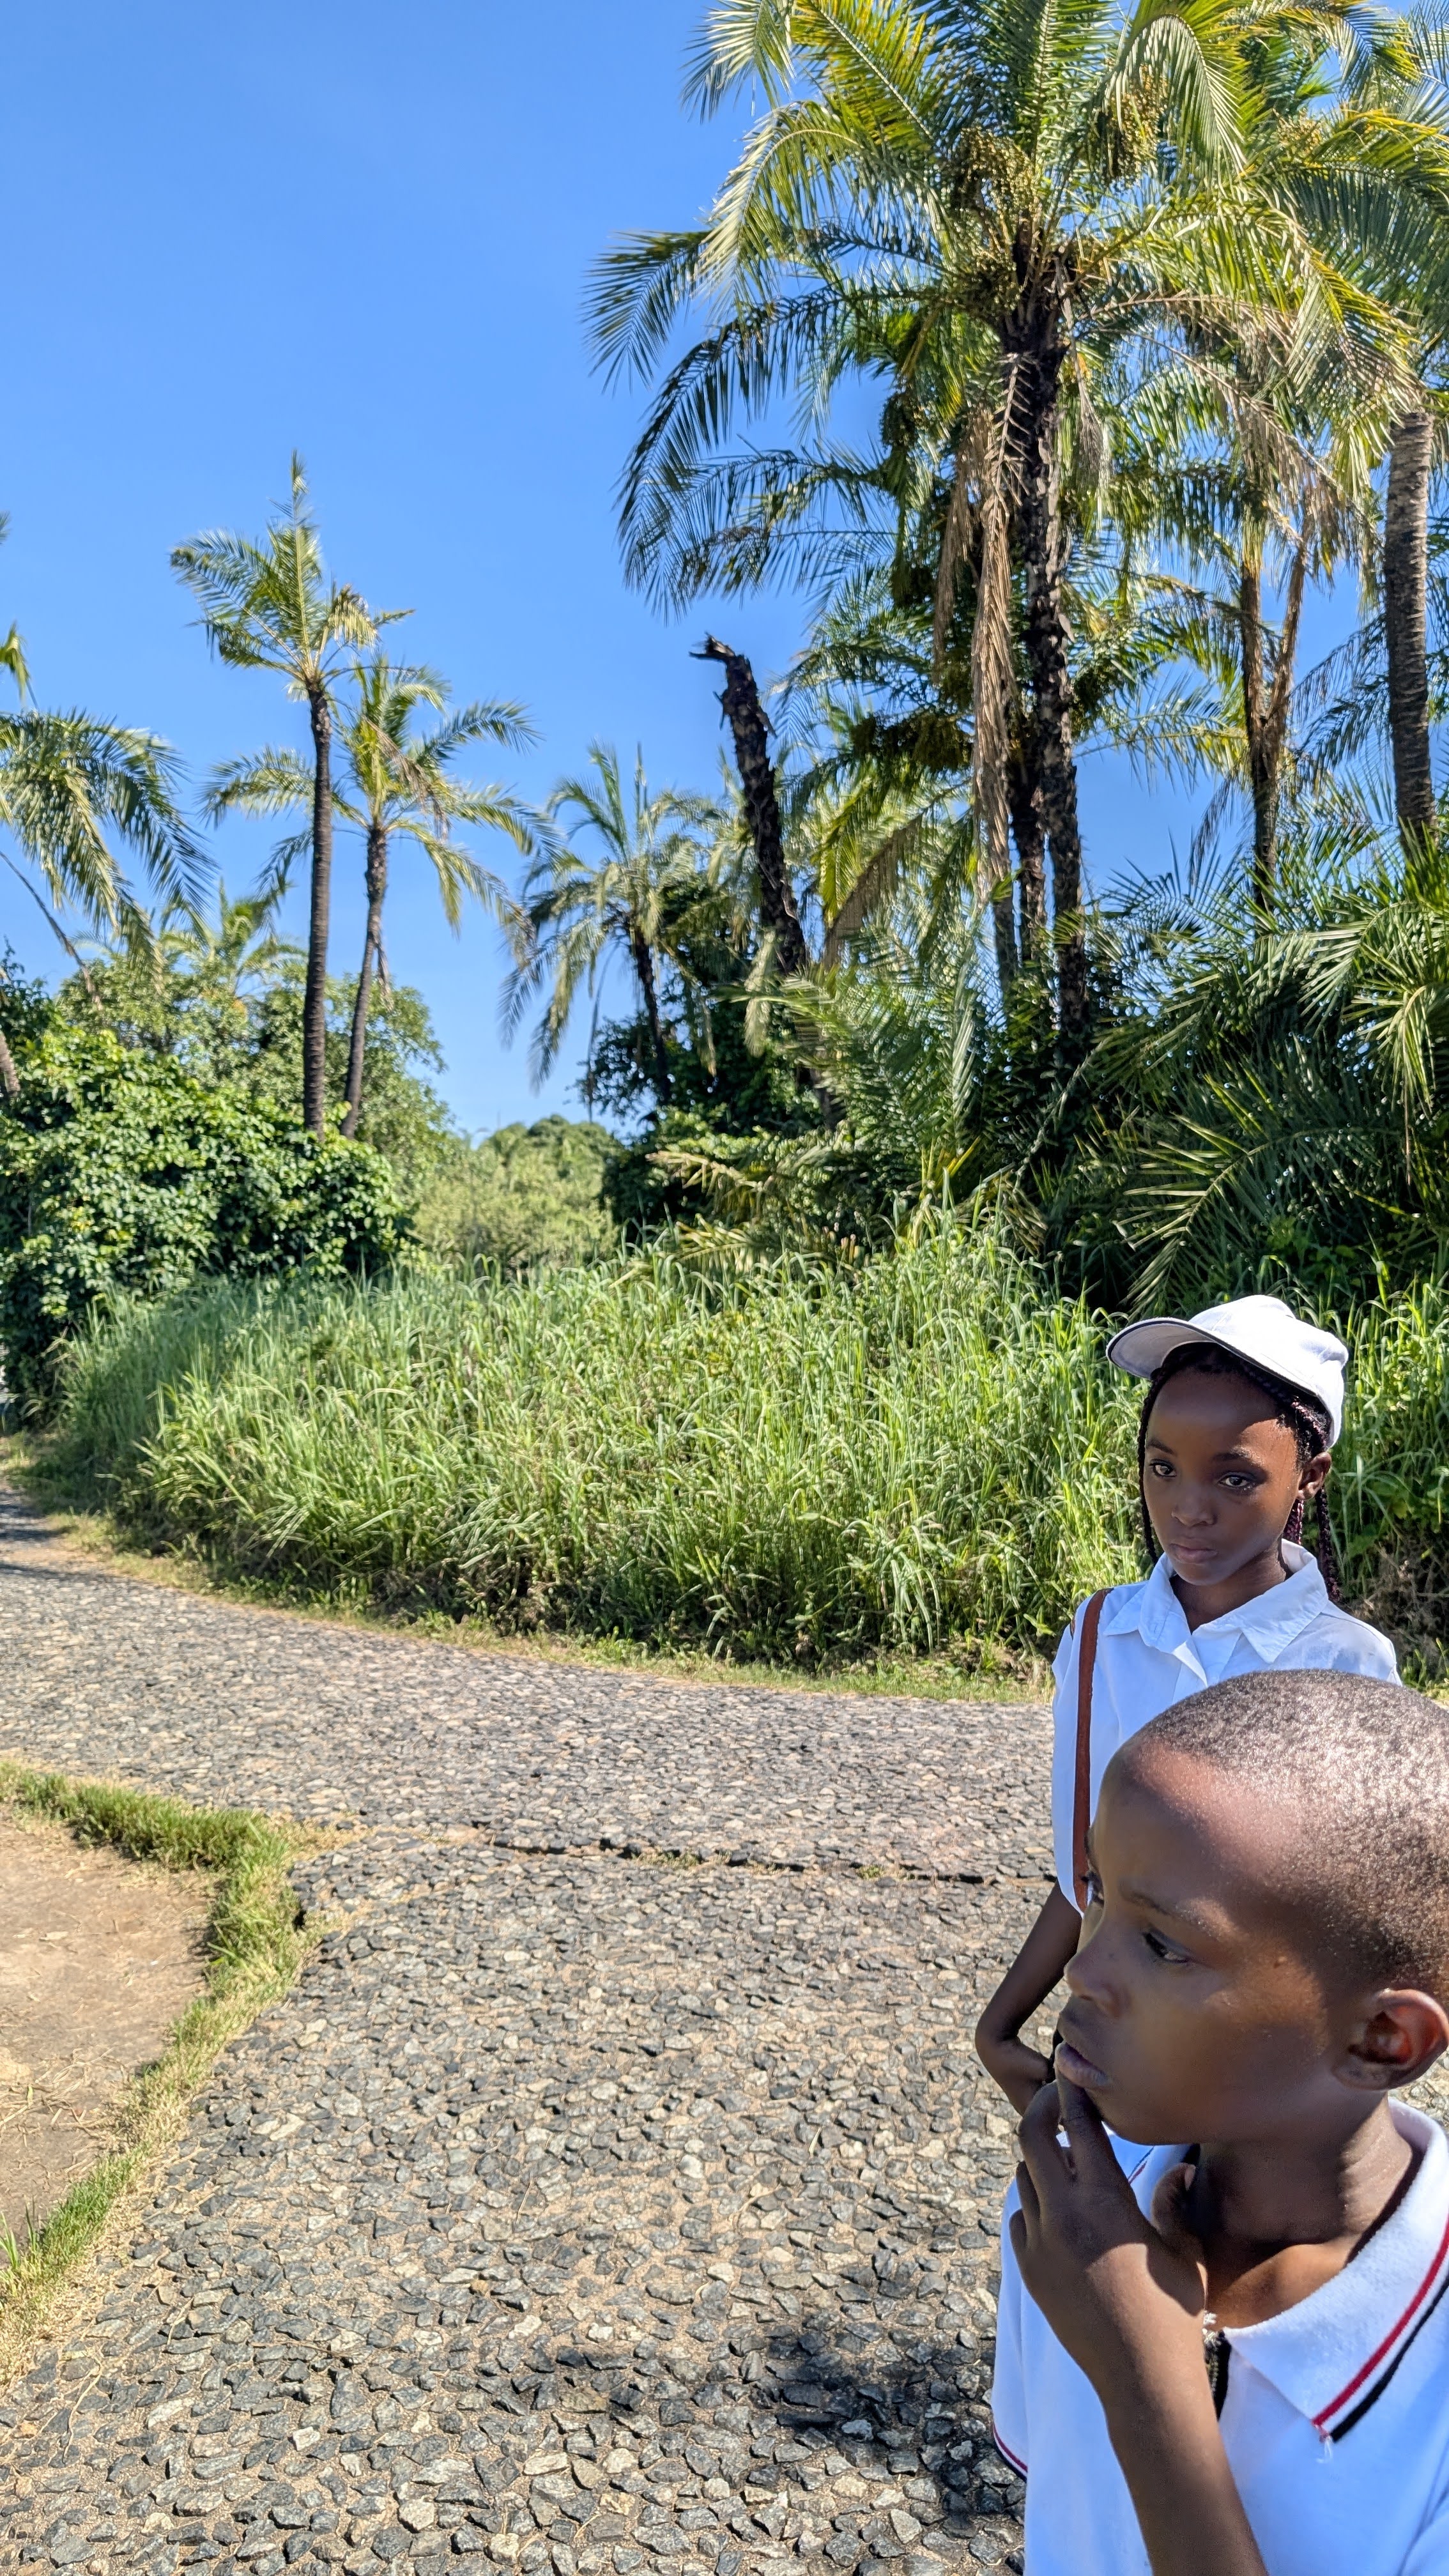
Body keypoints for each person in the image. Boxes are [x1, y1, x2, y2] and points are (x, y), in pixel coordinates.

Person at [992, 1667, 1449, 2576]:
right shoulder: (1073, 2214)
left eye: (1164, 1944)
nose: (1083, 1972)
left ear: (1383, 2042)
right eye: (1098, 1891)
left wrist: (1143, 2384)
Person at [976, 1294, 1399, 2115]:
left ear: (1310, 1476)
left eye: (1235, 1477)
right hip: (1106, 2041)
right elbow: (1092, 1871)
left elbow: (1344, 1929)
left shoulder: (1344, 1666)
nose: (1187, 1507)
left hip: (1257, 2075)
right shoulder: (1102, 1633)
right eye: (1162, 1467)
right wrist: (999, 2026)